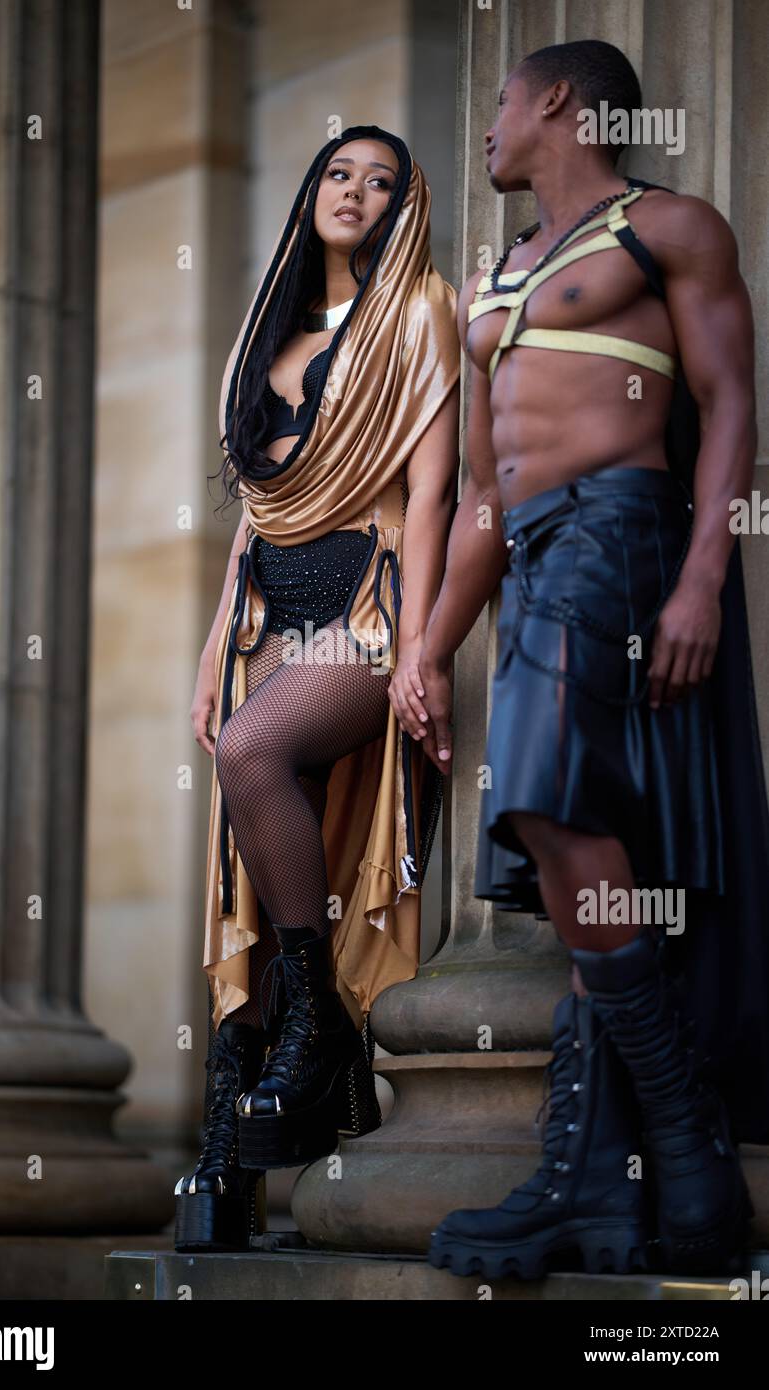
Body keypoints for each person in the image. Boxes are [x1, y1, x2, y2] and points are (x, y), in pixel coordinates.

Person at [414, 41, 769, 1279]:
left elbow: (728, 403)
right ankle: (600, 1187)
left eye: (500, 102)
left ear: (558, 101)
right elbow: (473, 498)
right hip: (529, 559)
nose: (490, 127)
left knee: (545, 801)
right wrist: (425, 643)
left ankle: (682, 1142)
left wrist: (702, 581)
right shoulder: (491, 285)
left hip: (621, 530)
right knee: (569, 834)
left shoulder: (662, 227)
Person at [173, 125, 460, 1251]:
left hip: (366, 607)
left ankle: (320, 1024)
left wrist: (424, 645)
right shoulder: (271, 329)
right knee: (247, 875)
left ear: (405, 206)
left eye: (380, 180)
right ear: (311, 196)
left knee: (252, 753)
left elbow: (431, 493)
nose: (355, 192)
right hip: (262, 619)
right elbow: (254, 515)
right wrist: (210, 646)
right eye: (338, 174)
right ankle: (231, 1160)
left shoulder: (420, 309)